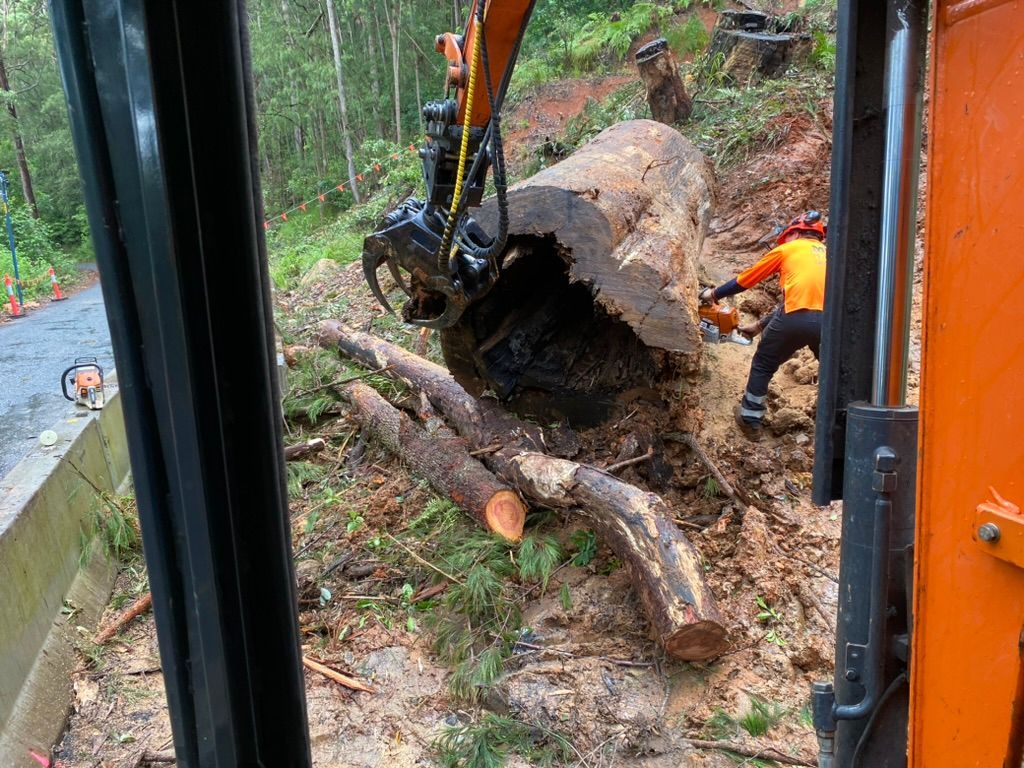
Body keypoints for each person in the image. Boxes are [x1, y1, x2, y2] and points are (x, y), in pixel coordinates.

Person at [699, 210, 827, 439]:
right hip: (830, 322)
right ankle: (836, 427)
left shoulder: (788, 249)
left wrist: (714, 293)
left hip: (794, 317)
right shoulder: (829, 255)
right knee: (831, 373)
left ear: (795, 233)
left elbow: (746, 279)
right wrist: (759, 326)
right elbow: (804, 300)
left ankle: (750, 419)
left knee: (764, 364)